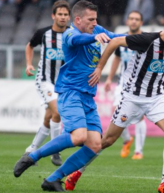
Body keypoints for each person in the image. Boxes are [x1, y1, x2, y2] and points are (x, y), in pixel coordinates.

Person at [67, 12, 164, 193]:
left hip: (156, 98)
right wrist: (100, 67)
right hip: (132, 98)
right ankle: (76, 172)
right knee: (107, 140)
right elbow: (115, 42)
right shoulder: (147, 40)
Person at [13, 1, 124, 191]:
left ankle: (53, 179)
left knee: (96, 145)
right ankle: (32, 156)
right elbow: (77, 40)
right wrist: (96, 37)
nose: (94, 23)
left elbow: (115, 37)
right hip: (71, 94)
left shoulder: (95, 29)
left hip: (88, 98)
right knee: (79, 136)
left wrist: (147, 38)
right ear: (78, 19)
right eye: (90, 20)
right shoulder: (70, 34)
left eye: (95, 19)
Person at [23, 0, 70, 167]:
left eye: (66, 14)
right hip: (45, 80)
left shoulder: (71, 35)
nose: (63, 17)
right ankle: (55, 151)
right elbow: (30, 46)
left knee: (49, 118)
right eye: (60, 14)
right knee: (57, 112)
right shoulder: (43, 33)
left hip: (63, 84)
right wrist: (29, 64)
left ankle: (31, 149)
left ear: (69, 17)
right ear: (53, 16)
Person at [104, 10, 146, 160]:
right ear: (127, 21)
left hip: (140, 84)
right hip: (122, 83)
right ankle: (127, 139)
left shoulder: (145, 39)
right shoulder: (121, 39)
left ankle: (138, 151)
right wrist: (109, 78)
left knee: (140, 118)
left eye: (137, 19)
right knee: (116, 112)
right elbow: (117, 59)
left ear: (141, 22)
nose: (134, 21)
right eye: (131, 19)